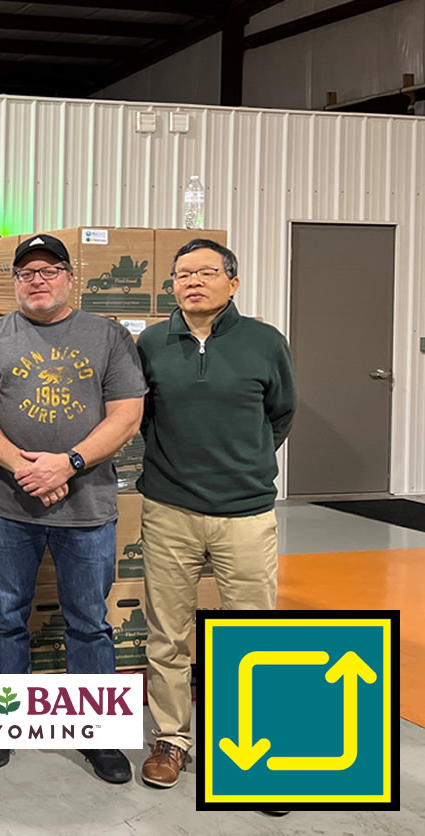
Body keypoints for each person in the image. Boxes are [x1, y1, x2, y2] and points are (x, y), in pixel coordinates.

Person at [0, 232, 144, 783]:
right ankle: (0, 724)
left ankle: (100, 735)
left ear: (69, 278)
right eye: (26, 273)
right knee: (6, 615)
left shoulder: (107, 336)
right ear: (14, 282)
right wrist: (25, 467)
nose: (38, 280)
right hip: (7, 504)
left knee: (88, 622)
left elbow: (126, 416)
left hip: (86, 506)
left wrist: (68, 464)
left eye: (49, 270)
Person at [137, 239, 296, 789]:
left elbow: (281, 414)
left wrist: (244, 464)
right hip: (169, 509)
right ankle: (172, 740)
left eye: (206, 272)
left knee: (252, 632)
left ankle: (254, 747)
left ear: (233, 282)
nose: (192, 281)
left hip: (246, 512)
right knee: (168, 632)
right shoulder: (152, 343)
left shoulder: (264, 342)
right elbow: (141, 416)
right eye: (182, 274)